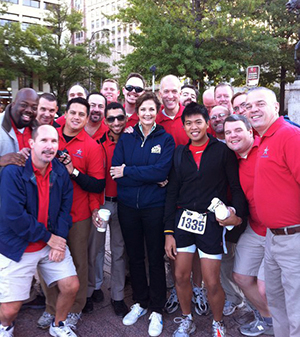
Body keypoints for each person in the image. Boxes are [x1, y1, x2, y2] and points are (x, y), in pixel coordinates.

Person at [164, 102, 246, 337]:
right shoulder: (179, 153)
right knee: (180, 275)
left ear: (207, 123)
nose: (193, 127)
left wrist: (236, 216)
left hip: (211, 223)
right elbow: (172, 193)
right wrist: (168, 232)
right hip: (183, 222)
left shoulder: (222, 151)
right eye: (188, 123)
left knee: (211, 281)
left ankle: (218, 322)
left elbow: (236, 188)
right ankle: (187, 318)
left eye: (198, 122)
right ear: (184, 126)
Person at [0, 124, 79, 337]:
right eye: (43, 140)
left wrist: (59, 238)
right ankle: (5, 327)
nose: (49, 146)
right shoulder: (13, 172)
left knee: (71, 286)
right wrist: (49, 238)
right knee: (10, 310)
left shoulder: (60, 172)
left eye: (54, 141)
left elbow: (65, 208)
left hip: (49, 241)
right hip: (18, 245)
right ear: (31, 143)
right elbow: (13, 216)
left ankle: (59, 324)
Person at [37, 97, 105, 331]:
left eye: (81, 114)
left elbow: (97, 184)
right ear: (65, 113)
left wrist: (73, 171)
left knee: (78, 262)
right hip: (46, 214)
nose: (76, 117)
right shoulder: (49, 136)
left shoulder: (91, 146)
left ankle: (75, 308)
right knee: (46, 262)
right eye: (72, 112)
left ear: (87, 118)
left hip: (78, 214)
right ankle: (51, 307)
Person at [111, 92, 175, 337]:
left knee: (156, 259)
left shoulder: (166, 139)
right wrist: (136, 173)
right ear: (136, 111)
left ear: (157, 111)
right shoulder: (126, 138)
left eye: (151, 109)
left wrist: (129, 170)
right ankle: (140, 302)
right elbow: (116, 171)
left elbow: (161, 172)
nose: (147, 114)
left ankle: (157, 309)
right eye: (143, 109)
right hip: (128, 207)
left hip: (154, 208)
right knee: (135, 257)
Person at [245, 87, 300, 337]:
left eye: (260, 103)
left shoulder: (290, 136)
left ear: (276, 107)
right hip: (273, 238)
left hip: (293, 239)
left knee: (297, 309)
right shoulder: (263, 139)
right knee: (278, 304)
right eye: (248, 106)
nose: (253, 109)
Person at [224, 114, 273, 336]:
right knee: (241, 276)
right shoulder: (233, 158)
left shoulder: (266, 150)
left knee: (266, 287)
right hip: (255, 227)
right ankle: (268, 319)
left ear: (250, 131)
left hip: (279, 229)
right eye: (228, 132)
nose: (232, 136)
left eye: (237, 130)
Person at [86, 102, 128, 317]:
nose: (116, 123)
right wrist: (94, 207)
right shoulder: (97, 144)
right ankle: (92, 288)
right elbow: (93, 178)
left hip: (123, 203)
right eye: (110, 119)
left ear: (125, 118)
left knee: (120, 251)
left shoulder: (131, 141)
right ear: (105, 120)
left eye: (119, 117)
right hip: (102, 203)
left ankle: (118, 295)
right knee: (96, 249)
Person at [0, 88, 38, 169]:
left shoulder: (38, 129)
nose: (29, 110)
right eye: (24, 105)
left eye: (34, 107)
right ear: (13, 104)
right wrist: (1, 160)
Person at [156, 75, 188, 146]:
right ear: (160, 94)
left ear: (180, 93)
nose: (170, 96)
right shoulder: (153, 119)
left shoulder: (190, 115)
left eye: (174, 91)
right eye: (166, 91)